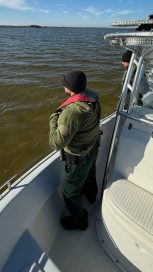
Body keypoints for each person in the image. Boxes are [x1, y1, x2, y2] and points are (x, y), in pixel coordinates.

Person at [49, 70, 101, 230]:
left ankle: (80, 221)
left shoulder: (71, 113)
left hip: (78, 160)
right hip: (92, 148)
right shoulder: (93, 98)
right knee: (90, 176)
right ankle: (92, 196)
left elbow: (56, 143)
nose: (63, 85)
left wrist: (53, 119)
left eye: (65, 83)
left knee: (69, 191)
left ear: (69, 88)